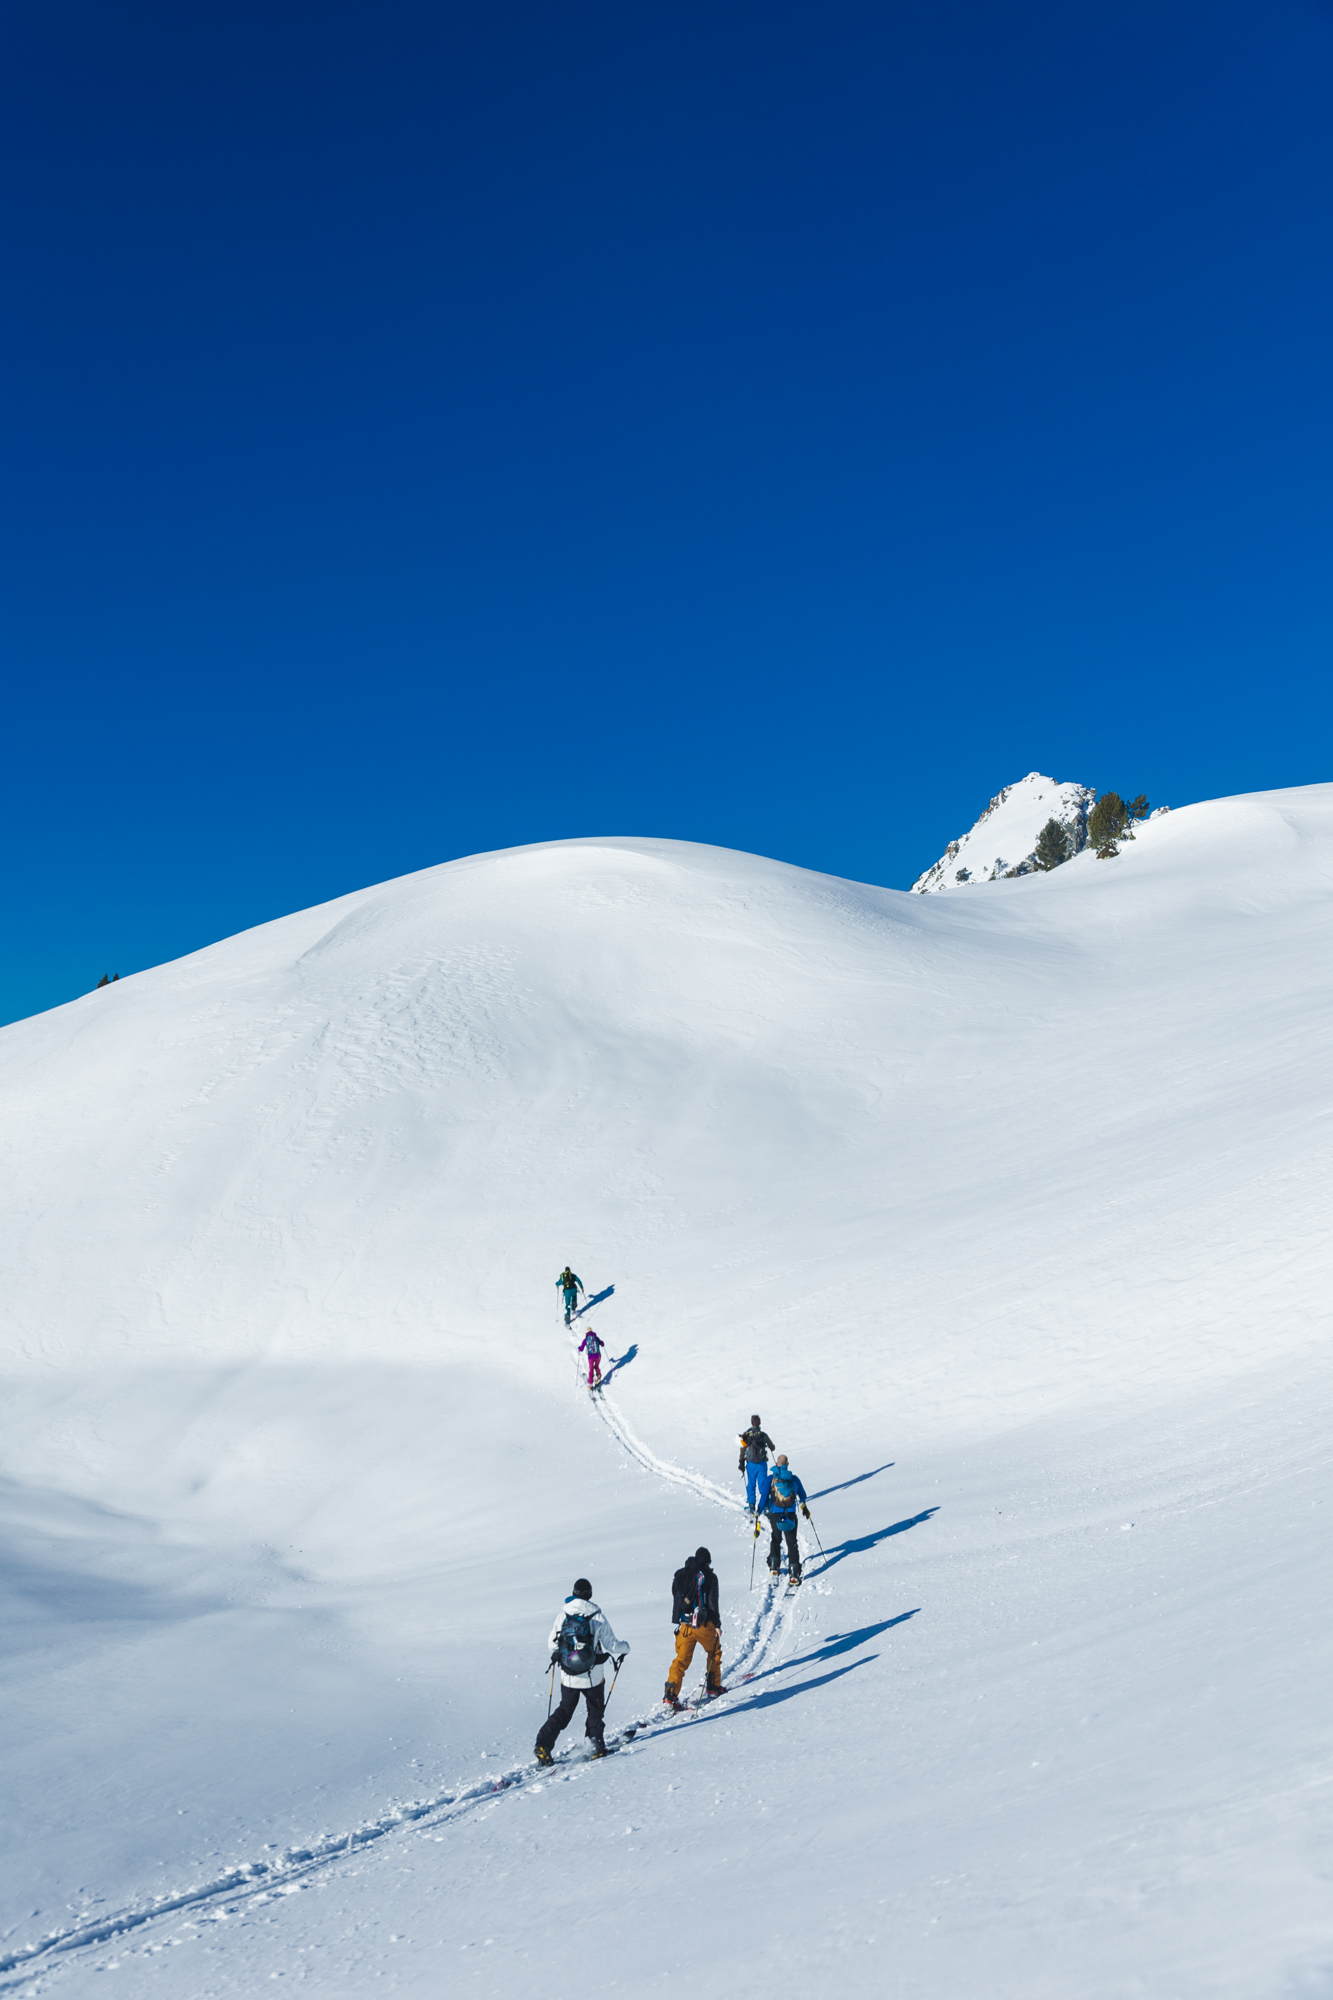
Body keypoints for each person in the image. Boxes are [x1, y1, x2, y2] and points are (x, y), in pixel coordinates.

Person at [536, 1578, 629, 1764]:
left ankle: (543, 1745)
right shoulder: (598, 1617)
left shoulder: (562, 1616)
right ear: (590, 1594)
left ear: (573, 1593)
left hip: (568, 1675)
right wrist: (626, 1648)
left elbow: (551, 1644)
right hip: (593, 1677)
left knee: (564, 1711)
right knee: (595, 1711)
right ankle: (595, 1747)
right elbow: (613, 1645)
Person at [663, 1547, 726, 1709]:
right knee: (714, 1652)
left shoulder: (682, 1575)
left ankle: (670, 1695)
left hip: (684, 1626)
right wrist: (717, 1625)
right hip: (703, 1624)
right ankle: (713, 1687)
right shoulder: (710, 1577)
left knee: (680, 1660)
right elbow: (713, 1603)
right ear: (708, 1561)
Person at [755, 1454, 809, 1586]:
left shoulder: (770, 1479)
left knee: (775, 1538)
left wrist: (758, 1511)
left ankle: (774, 1568)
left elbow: (763, 1497)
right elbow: (803, 1495)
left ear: (777, 1464)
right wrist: (804, 1508)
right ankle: (794, 1573)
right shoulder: (794, 1479)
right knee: (792, 1542)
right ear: (787, 1464)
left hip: (775, 1515)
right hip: (790, 1515)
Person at [737, 1415, 776, 1515]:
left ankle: (751, 1506)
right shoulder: (763, 1435)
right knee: (763, 1484)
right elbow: (772, 1448)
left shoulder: (746, 1436)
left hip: (751, 1465)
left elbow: (742, 1450)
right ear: (760, 1423)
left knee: (751, 1485)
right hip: (762, 1463)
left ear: (751, 1423)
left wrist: (741, 1462)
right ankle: (766, 1506)